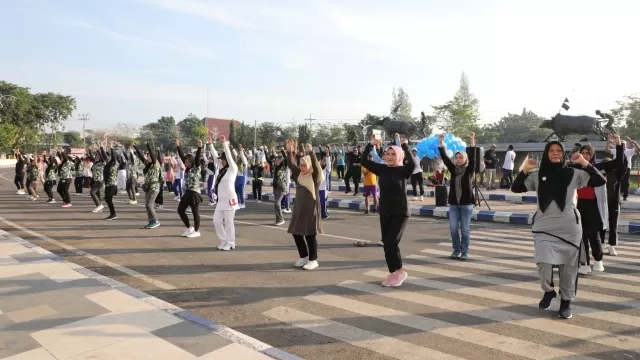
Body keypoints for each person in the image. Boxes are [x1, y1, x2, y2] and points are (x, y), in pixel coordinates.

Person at [512, 141, 606, 319]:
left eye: (559, 151)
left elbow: (599, 180)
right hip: (544, 227)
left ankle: (566, 302)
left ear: (563, 153)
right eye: (551, 150)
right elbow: (516, 188)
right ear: (546, 153)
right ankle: (548, 291)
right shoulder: (537, 176)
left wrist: (584, 162)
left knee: (569, 269)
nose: (555, 153)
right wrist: (525, 169)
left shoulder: (574, 173)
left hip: (569, 227)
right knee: (543, 263)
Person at [360, 135, 414, 286]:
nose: (389, 157)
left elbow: (413, 164)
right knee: (386, 243)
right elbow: (364, 161)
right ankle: (393, 273)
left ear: (399, 156)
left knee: (391, 242)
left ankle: (401, 271)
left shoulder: (403, 171)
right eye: (387, 154)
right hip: (385, 212)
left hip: (400, 213)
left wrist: (404, 146)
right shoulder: (381, 169)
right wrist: (370, 145)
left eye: (393, 154)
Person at [573, 135, 624, 274]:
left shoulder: (599, 167)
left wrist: (619, 144)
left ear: (592, 155)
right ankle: (584, 263)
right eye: (582, 153)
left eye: (587, 154)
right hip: (578, 206)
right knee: (581, 236)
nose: (585, 156)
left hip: (595, 206)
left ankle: (598, 260)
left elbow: (619, 162)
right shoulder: (574, 168)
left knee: (593, 235)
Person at [286, 140, 325, 270]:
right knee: (296, 233)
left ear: (309, 165)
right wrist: (290, 151)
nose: (302, 167)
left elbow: (317, 166)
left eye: (304, 165)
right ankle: (304, 256)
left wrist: (311, 153)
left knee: (310, 235)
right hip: (298, 209)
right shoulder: (299, 174)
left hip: (311, 210)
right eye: (301, 165)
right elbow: (291, 164)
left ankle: (313, 260)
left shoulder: (314, 176)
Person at [439, 132, 476, 260]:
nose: (458, 159)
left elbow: (473, 156)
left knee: (465, 230)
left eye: (461, 157)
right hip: (454, 204)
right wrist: (441, 143)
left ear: (465, 159)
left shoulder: (469, 170)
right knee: (453, 229)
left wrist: (472, 139)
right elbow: (444, 158)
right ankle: (456, 249)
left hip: (466, 205)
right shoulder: (454, 170)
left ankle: (464, 251)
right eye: (457, 157)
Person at [212, 135, 240, 249]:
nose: (221, 161)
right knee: (216, 221)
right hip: (221, 200)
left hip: (229, 199)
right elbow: (214, 158)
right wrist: (210, 145)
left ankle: (231, 242)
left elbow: (228, 155)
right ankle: (223, 240)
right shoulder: (222, 169)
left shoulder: (232, 168)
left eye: (223, 159)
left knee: (229, 222)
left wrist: (224, 144)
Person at [175, 139, 203, 238]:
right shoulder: (187, 168)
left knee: (195, 213)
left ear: (192, 162)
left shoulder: (196, 168)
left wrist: (200, 147)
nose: (186, 163)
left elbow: (198, 159)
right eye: (185, 162)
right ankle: (189, 227)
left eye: (187, 162)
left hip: (194, 193)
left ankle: (197, 231)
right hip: (187, 192)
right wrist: (178, 146)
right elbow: (183, 157)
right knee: (180, 210)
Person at [133, 142, 161, 229]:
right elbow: (141, 157)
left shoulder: (155, 163)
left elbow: (152, 157)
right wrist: (136, 147)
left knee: (149, 205)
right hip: (148, 187)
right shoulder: (147, 164)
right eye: (147, 156)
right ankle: (151, 221)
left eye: (150, 156)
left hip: (154, 187)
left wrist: (148, 145)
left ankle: (156, 220)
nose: (148, 157)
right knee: (146, 205)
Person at [100, 145, 118, 220]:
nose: (109, 156)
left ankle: (113, 214)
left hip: (112, 184)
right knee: (107, 199)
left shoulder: (115, 163)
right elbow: (104, 156)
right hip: (108, 184)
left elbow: (113, 156)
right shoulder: (108, 162)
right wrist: (101, 147)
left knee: (108, 199)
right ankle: (112, 214)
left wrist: (111, 148)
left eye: (110, 155)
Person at [87, 146, 105, 213]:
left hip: (99, 180)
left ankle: (99, 205)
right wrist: (89, 150)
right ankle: (99, 207)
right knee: (97, 194)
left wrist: (99, 148)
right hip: (95, 180)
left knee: (92, 192)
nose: (96, 156)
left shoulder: (103, 163)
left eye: (98, 155)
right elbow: (92, 157)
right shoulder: (95, 163)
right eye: (96, 155)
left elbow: (103, 156)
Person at [233, 144, 249, 209]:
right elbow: (236, 155)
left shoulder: (244, 163)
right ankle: (238, 202)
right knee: (236, 190)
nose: (238, 158)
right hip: (237, 178)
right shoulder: (237, 163)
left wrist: (241, 150)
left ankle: (243, 203)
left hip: (243, 177)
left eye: (240, 157)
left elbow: (242, 156)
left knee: (241, 190)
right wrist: (232, 149)